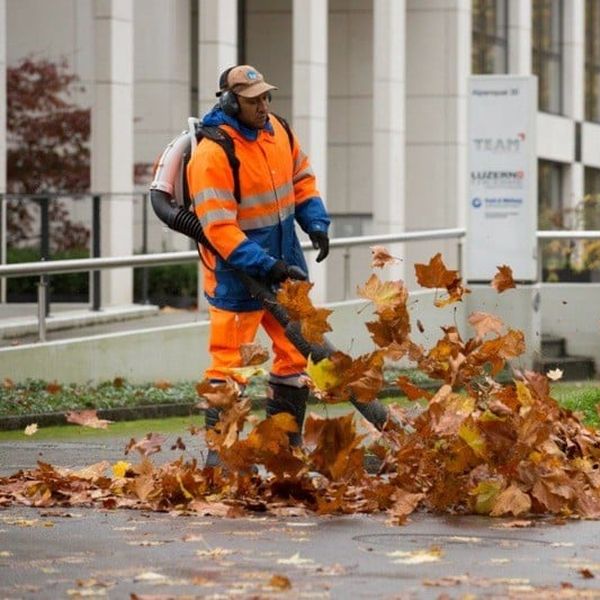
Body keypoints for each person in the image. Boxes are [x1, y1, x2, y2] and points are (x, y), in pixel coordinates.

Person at [187, 65, 330, 467]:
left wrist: (316, 222)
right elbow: (219, 229)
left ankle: (284, 448)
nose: (263, 106)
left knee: (295, 353)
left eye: (266, 97)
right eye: (253, 101)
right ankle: (223, 455)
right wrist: (266, 266)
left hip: (284, 266)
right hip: (239, 276)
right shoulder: (214, 152)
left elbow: (302, 179)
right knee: (229, 366)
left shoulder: (278, 131)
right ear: (230, 103)